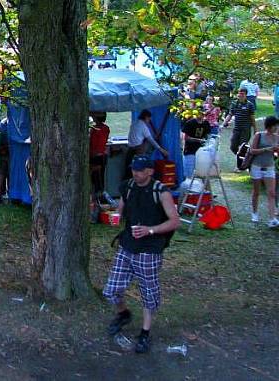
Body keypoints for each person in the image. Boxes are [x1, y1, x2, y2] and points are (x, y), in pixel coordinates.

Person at [103, 155, 180, 354]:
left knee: (148, 292)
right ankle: (123, 313)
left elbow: (174, 221)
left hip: (150, 249)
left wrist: (150, 230)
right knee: (111, 289)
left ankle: (145, 333)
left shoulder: (160, 192)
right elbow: (120, 209)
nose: (135, 173)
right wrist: (114, 215)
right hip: (127, 244)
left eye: (140, 170)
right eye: (134, 169)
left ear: (150, 171)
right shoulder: (127, 186)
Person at [247, 116, 279, 226]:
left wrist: (276, 150)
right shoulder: (259, 135)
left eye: (277, 125)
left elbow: (276, 153)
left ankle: (272, 219)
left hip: (270, 166)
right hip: (257, 166)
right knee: (256, 191)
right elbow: (252, 150)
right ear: (269, 126)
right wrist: (266, 149)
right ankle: (254, 213)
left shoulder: (277, 137)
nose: (276, 128)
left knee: (272, 193)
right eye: (274, 125)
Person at [223, 88, 257, 168]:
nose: (240, 95)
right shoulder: (234, 103)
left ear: (246, 95)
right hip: (236, 128)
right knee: (233, 146)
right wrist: (225, 122)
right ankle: (246, 158)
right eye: (239, 93)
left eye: (242, 94)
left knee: (243, 147)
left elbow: (252, 118)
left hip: (245, 129)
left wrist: (255, 129)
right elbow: (230, 114)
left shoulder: (250, 105)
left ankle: (240, 166)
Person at [181, 112, 211, 180]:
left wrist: (206, 139)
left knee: (203, 172)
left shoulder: (206, 123)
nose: (202, 115)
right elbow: (185, 138)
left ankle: (205, 189)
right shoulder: (190, 123)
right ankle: (186, 186)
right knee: (188, 172)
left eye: (203, 113)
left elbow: (208, 135)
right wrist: (198, 140)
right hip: (190, 150)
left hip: (202, 152)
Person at [90, 112, 110, 201]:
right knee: (100, 179)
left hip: (95, 157)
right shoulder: (106, 128)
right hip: (102, 156)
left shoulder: (95, 130)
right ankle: (99, 197)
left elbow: (93, 144)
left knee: (95, 179)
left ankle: (96, 199)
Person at [0, 119, 10, 205]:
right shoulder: (13, 122)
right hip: (8, 152)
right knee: (6, 174)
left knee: (1, 175)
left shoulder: (2, 123)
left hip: (1, 151)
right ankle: (8, 195)